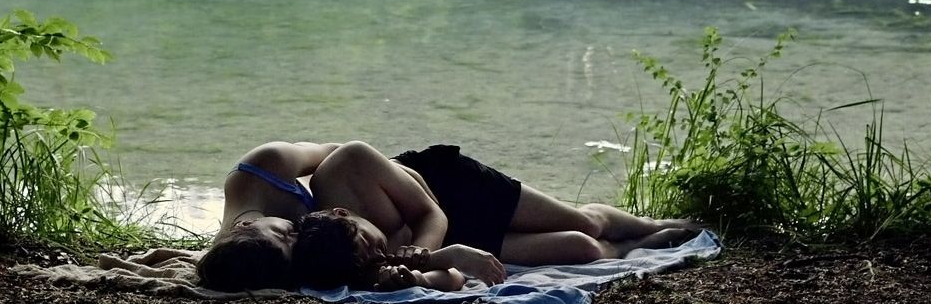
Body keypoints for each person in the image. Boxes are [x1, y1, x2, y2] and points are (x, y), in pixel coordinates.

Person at [291, 142, 698, 291]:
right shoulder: (347, 257)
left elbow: (429, 212)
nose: (379, 249)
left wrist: (425, 255)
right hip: (450, 238)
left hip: (447, 189)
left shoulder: (345, 166)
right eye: (372, 253)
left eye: (371, 239)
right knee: (583, 248)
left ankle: (651, 226)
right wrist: (422, 269)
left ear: (341, 212)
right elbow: (444, 278)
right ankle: (637, 247)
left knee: (583, 223)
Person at [196, 141, 341, 291]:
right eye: (294, 249)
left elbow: (338, 153)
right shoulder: (238, 266)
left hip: (309, 166)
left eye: (282, 234)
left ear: (246, 224)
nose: (297, 237)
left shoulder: (266, 163)